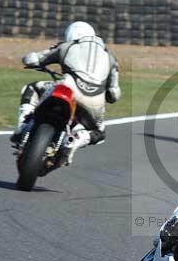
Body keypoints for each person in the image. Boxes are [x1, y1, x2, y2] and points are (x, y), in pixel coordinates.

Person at [11, 21, 121, 165]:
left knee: (32, 88)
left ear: (70, 35)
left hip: (69, 88)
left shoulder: (66, 46)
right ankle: (76, 140)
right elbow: (114, 94)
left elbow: (34, 59)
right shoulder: (111, 58)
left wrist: (29, 60)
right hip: (95, 103)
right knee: (99, 133)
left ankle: (23, 125)